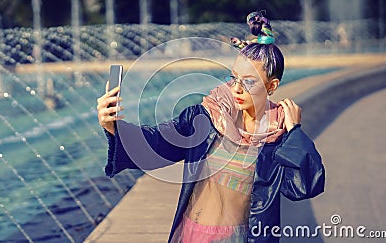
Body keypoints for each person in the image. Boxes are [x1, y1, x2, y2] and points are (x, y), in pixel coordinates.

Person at [97, 12, 325, 243]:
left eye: (248, 82)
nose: (236, 88)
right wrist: (113, 126)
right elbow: (158, 143)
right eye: (234, 77)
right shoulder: (208, 117)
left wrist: (295, 132)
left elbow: (305, 187)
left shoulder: (277, 138)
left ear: (272, 85)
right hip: (191, 234)